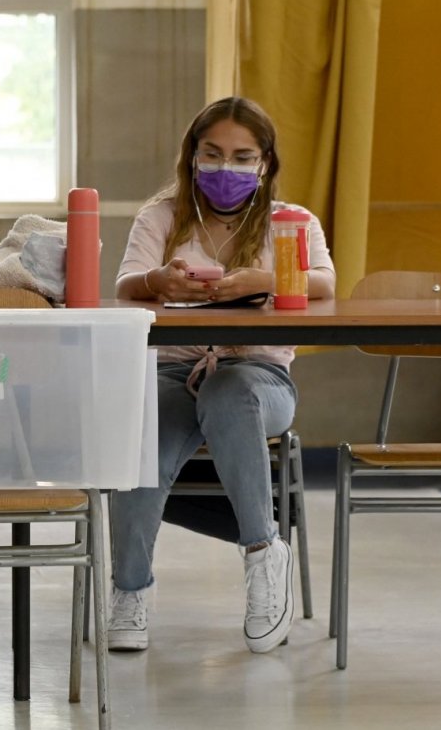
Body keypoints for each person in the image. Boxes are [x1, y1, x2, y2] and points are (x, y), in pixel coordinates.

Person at [109, 95, 335, 653]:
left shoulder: (292, 222)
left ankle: (263, 558)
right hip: (175, 374)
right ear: (191, 157)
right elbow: (125, 286)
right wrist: (160, 280)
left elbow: (326, 286)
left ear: (264, 163)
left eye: (241, 157)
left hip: (258, 376)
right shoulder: (160, 216)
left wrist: (264, 279)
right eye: (212, 154)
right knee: (141, 451)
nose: (225, 168)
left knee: (232, 392)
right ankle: (130, 591)